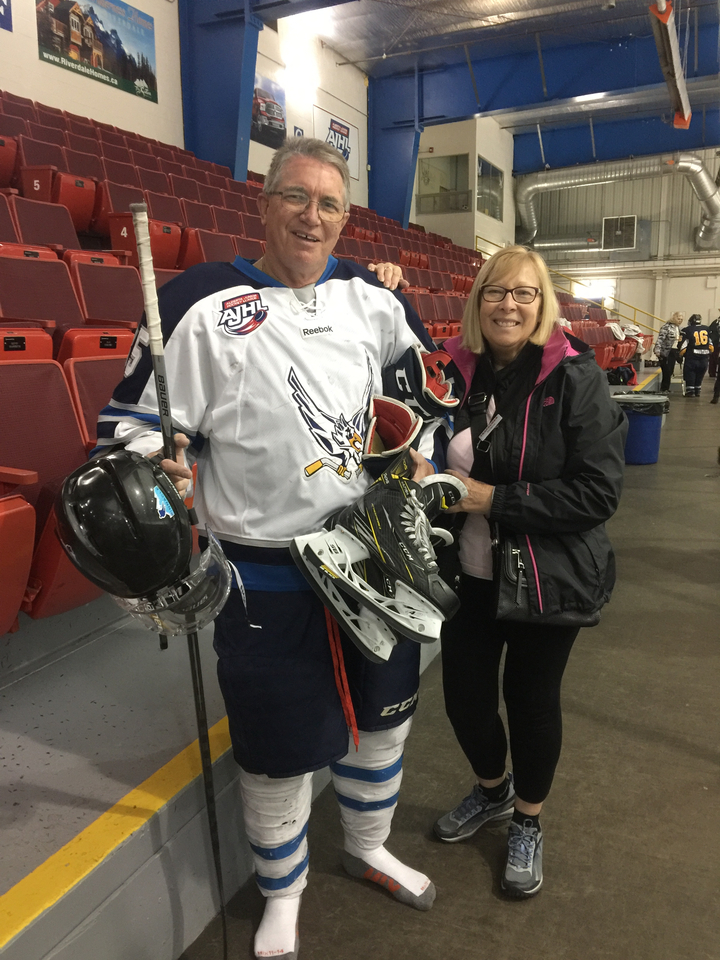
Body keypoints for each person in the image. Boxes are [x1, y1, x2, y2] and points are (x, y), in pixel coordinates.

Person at [97, 138, 450, 960]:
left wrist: (427, 447)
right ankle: (282, 895)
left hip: (371, 561)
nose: (312, 216)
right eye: (296, 197)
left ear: (345, 218)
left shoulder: (372, 299)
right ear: (263, 203)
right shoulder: (198, 301)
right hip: (266, 574)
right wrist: (161, 468)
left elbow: (426, 398)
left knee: (384, 723)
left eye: (329, 204)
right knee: (276, 752)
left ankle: (366, 847)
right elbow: (132, 431)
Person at [432, 246, 626, 900]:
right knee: (463, 699)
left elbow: (599, 492)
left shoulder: (576, 379)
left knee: (530, 700)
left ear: (542, 306)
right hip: (469, 575)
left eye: (524, 294)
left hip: (547, 577)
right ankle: (493, 790)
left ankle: (528, 820)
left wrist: (495, 500)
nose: (508, 305)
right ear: (477, 301)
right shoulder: (451, 372)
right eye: (495, 292)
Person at [679, 313, 714, 397]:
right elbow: (711, 345)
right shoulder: (707, 329)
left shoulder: (687, 330)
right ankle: (697, 390)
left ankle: (690, 391)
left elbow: (683, 345)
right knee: (700, 373)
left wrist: (680, 355)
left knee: (690, 373)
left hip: (692, 356)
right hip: (704, 356)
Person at [654, 311, 683, 393]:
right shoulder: (666, 327)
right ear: (674, 318)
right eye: (678, 318)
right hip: (665, 351)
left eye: (681, 319)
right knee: (666, 370)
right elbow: (660, 339)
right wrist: (657, 350)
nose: (680, 320)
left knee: (670, 371)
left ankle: (666, 388)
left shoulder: (679, 328)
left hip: (674, 351)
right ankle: (663, 388)